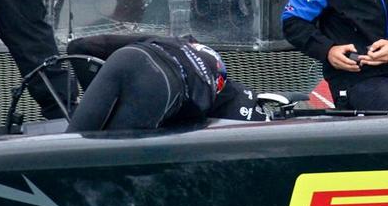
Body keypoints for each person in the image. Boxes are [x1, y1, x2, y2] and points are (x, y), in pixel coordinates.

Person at [65, 34, 269, 132]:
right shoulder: (213, 96)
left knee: (73, 144)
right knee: (107, 161)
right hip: (163, 84)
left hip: (129, 56)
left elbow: (82, 46)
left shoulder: (175, 41)